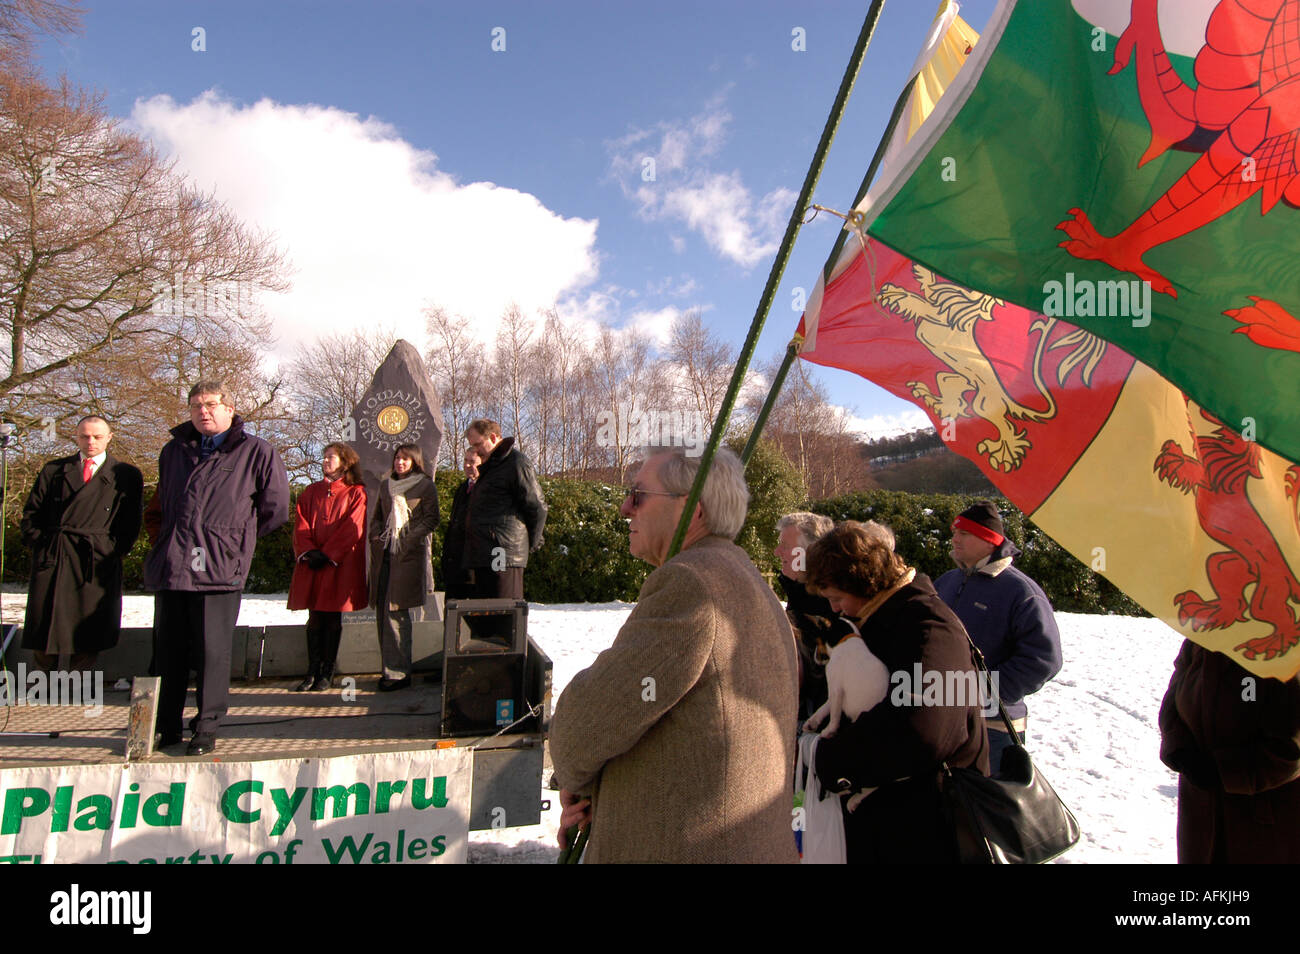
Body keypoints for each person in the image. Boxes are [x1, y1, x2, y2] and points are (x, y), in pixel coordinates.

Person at [549, 446, 799, 863]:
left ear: (693, 509)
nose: (626, 507)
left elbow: (585, 725)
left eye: (639, 494)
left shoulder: (691, 585)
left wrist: (576, 772)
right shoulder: (747, 578)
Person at [805, 520, 989, 863]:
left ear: (862, 582)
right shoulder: (887, 617)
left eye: (838, 597)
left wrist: (831, 760)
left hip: (928, 830)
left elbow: (925, 731)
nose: (835, 609)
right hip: (896, 824)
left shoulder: (929, 627)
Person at [144, 383, 289, 756]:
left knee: (212, 652)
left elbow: (275, 510)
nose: (202, 412)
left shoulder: (257, 452)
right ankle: (166, 726)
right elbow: (161, 505)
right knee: (168, 651)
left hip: (219, 568)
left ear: (229, 408)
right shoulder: (174, 451)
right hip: (173, 566)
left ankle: (206, 728)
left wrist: (234, 540)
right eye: (195, 406)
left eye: (210, 405)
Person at [934, 501, 1063, 771]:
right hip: (942, 720)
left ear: (989, 540)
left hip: (994, 728)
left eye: (965, 534)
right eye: (955, 532)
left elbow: (1043, 660)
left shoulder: (1021, 591)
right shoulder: (946, 582)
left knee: (989, 808)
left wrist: (980, 692)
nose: (955, 538)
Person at [20, 415, 143, 674]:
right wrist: (42, 545)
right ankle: (42, 686)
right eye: (85, 436)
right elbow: (32, 514)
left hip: (95, 559)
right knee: (46, 621)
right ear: (76, 437)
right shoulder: (54, 470)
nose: (90, 441)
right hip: (56, 554)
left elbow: (130, 522)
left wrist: (111, 551)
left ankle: (79, 686)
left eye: (97, 436)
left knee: (89, 626)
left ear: (109, 437)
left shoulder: (126, 474)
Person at [1159, 639, 1300, 863]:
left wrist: (1222, 772)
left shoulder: (1286, 644)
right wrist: (1178, 748)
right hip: (1200, 813)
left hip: (1264, 824)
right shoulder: (1200, 638)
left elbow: (1289, 750)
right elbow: (1173, 702)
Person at [287, 442, 368, 691]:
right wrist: (309, 551)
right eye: (324, 457)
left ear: (344, 462)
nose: (325, 461)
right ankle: (311, 670)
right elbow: (301, 523)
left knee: (332, 617)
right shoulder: (311, 491)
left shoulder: (356, 492)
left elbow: (353, 527)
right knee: (314, 617)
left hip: (336, 565)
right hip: (312, 563)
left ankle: (327, 671)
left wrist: (329, 553)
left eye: (330, 457)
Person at [368, 443, 439, 691]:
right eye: (397, 458)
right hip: (386, 558)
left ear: (415, 462)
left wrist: (406, 537)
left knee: (397, 615)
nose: (400, 463)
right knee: (382, 615)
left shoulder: (425, 485)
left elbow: (432, 518)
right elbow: (377, 517)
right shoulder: (387, 485)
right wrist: (377, 535)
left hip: (407, 558)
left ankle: (399, 674)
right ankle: (389, 668)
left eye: (405, 459)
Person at [462, 419, 546, 600]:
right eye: (471, 446)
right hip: (484, 552)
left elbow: (537, 506)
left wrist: (529, 543)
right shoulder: (490, 466)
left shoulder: (516, 462)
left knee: (504, 614)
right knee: (487, 617)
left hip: (503, 552)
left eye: (477, 444)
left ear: (493, 437)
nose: (475, 450)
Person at [774, 510, 836, 720]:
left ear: (809, 553)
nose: (777, 552)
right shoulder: (799, 600)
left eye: (785, 546)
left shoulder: (832, 610)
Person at [439, 446, 480, 602]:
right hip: (454, 567)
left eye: (472, 462)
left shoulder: (487, 489)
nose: (468, 465)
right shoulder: (462, 488)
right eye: (465, 461)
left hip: (473, 570)